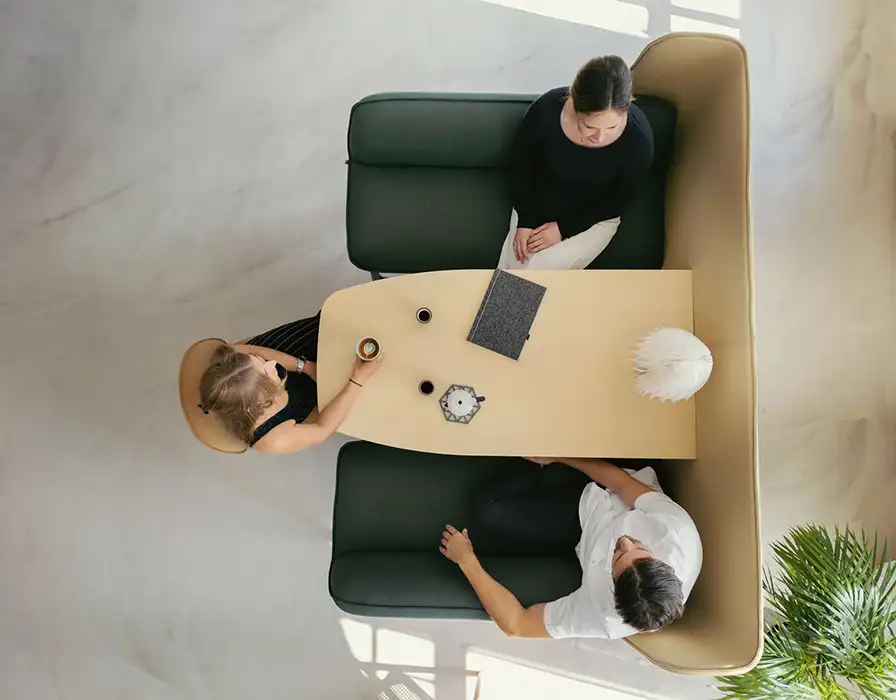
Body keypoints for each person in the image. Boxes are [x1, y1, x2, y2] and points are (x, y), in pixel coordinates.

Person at [439, 457, 702, 639]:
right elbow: (623, 484)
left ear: (612, 593)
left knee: (489, 509)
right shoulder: (678, 532)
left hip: (583, 525)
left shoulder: (602, 616)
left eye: (619, 555)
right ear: (661, 560)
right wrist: (562, 455)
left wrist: (466, 560)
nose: (624, 540)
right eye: (638, 547)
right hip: (612, 485)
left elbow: (517, 625)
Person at [498, 55, 654, 270]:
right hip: (536, 205)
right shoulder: (546, 111)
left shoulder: (638, 140)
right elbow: (521, 166)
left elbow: (618, 201)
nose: (600, 138)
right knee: (515, 266)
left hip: (593, 220)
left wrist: (563, 229)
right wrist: (525, 220)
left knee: (537, 271)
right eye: (590, 127)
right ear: (574, 103)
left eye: (612, 128)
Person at [181, 314, 382, 454]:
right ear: (264, 403)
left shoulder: (231, 361)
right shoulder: (272, 439)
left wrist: (306, 367)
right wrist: (357, 380)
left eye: (258, 362)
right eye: (268, 372)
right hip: (305, 397)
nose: (271, 364)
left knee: (341, 327)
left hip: (295, 353)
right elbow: (321, 429)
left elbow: (259, 352)